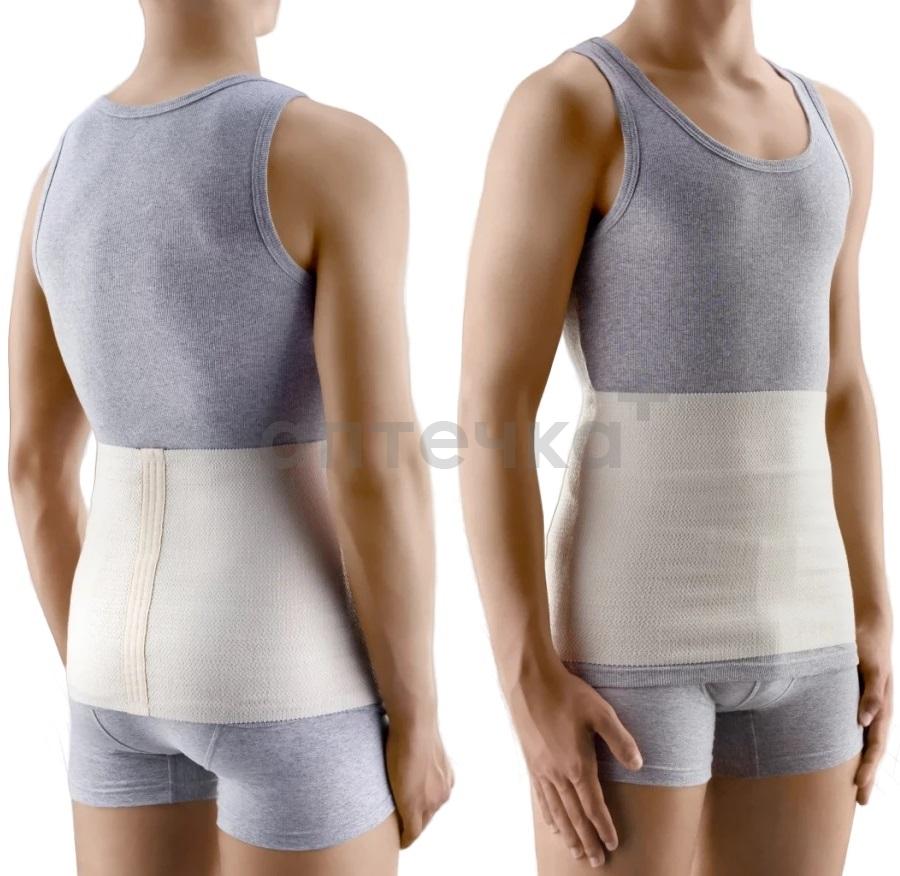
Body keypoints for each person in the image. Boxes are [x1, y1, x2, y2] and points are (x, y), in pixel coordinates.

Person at [8, 1, 451, 873]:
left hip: (106, 671)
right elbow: (376, 465)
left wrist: (116, 673)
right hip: (284, 668)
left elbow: (32, 468)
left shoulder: (59, 175)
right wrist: (418, 716)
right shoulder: (337, 154)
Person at [459, 1, 891, 873]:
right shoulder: (573, 105)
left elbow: (842, 387)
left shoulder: (842, 128)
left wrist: (875, 608)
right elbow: (492, 405)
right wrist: (526, 676)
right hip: (632, 638)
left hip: (814, 639)